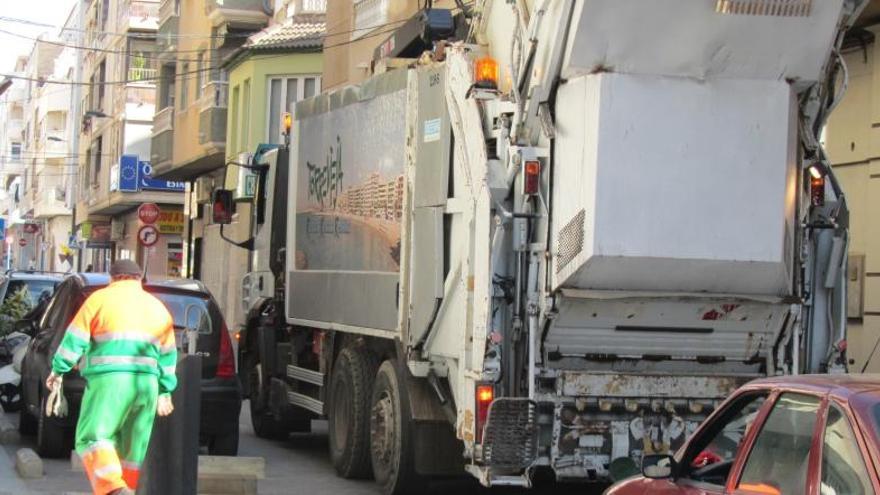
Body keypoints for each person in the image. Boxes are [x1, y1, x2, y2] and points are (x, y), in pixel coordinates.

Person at [46, 259, 177, 495]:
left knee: (93, 438)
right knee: (132, 451)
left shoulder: (99, 300)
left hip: (110, 383)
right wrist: (165, 391)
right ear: (139, 279)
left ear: (112, 278)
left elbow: (74, 340)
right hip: (146, 387)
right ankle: (126, 489)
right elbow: (168, 356)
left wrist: (58, 370)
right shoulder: (157, 307)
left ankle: (114, 489)